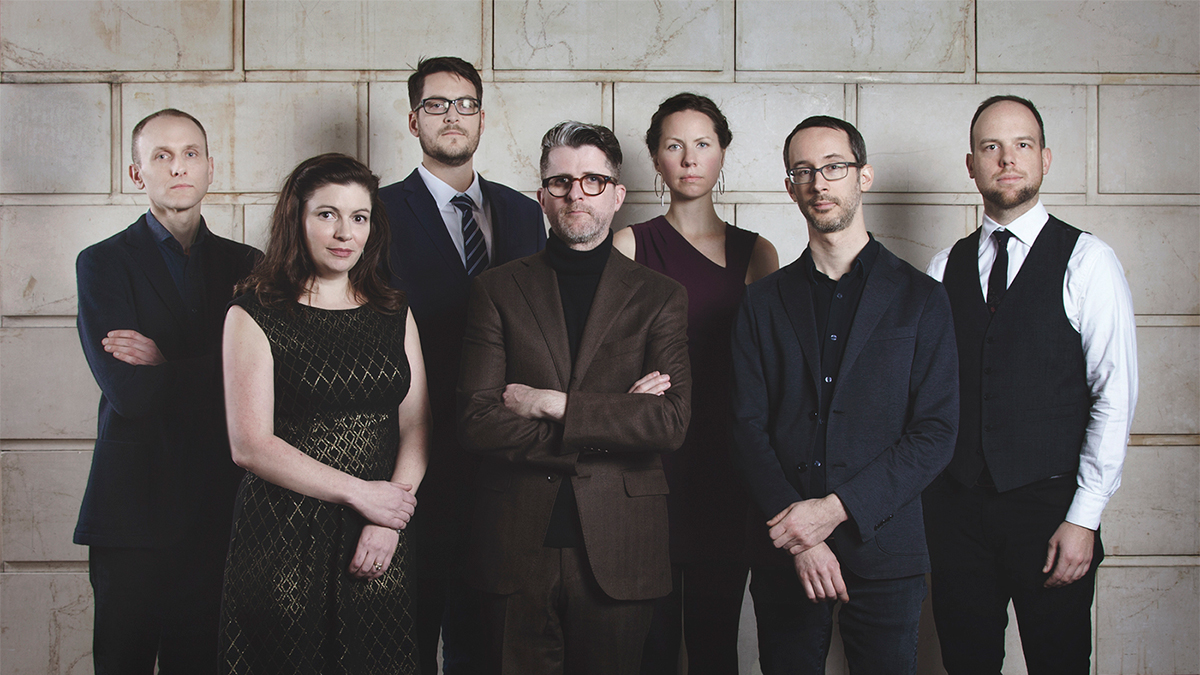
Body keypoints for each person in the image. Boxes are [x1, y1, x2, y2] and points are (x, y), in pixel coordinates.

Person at [457, 121, 691, 675]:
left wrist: (552, 403)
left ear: (616, 194)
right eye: (559, 182)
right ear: (542, 196)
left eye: (591, 180)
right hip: (516, 544)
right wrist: (616, 418)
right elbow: (477, 422)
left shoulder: (660, 297)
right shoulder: (496, 290)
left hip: (621, 546)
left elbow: (669, 423)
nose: (574, 194)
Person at [729, 116, 958, 674]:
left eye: (833, 167)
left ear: (864, 176)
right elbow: (745, 426)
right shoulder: (761, 303)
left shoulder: (922, 298)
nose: (818, 182)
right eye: (803, 171)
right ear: (789, 186)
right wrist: (801, 536)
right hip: (787, 552)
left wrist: (832, 513)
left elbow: (935, 433)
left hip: (886, 551)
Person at [923, 95, 1138, 674]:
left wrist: (1084, 517)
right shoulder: (944, 268)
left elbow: (1114, 396)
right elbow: (927, 398)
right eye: (991, 147)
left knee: (1059, 664)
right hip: (958, 514)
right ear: (971, 164)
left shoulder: (1088, 260)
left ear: (1045, 158)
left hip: (1052, 512)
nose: (1007, 159)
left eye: (1021, 145)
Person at [219, 153, 430, 673]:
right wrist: (366, 496)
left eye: (359, 217)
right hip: (282, 536)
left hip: (378, 536)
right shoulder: (253, 312)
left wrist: (389, 520)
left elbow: (417, 426)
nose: (344, 232)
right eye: (327, 214)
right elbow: (250, 445)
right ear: (298, 218)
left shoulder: (393, 309)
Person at [73, 108, 259, 674]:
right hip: (132, 511)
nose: (178, 167)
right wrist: (213, 367)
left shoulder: (248, 267)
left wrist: (165, 360)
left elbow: (257, 382)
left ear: (210, 169)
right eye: (161, 156)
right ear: (137, 174)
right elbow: (132, 393)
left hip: (218, 510)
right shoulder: (102, 263)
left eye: (191, 154)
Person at [379, 55, 547, 674]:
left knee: (496, 642)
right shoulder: (376, 214)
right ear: (414, 118)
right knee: (415, 635)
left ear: (482, 116)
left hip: (512, 459)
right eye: (436, 105)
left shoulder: (526, 212)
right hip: (419, 454)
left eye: (465, 104)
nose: (453, 116)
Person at [612, 92, 777, 675]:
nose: (688, 158)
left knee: (715, 641)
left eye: (702, 144)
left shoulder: (757, 252)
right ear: (655, 158)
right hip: (651, 466)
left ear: (722, 154)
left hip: (725, 466)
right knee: (649, 644)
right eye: (673, 146)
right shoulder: (630, 244)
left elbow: (769, 370)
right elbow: (611, 361)